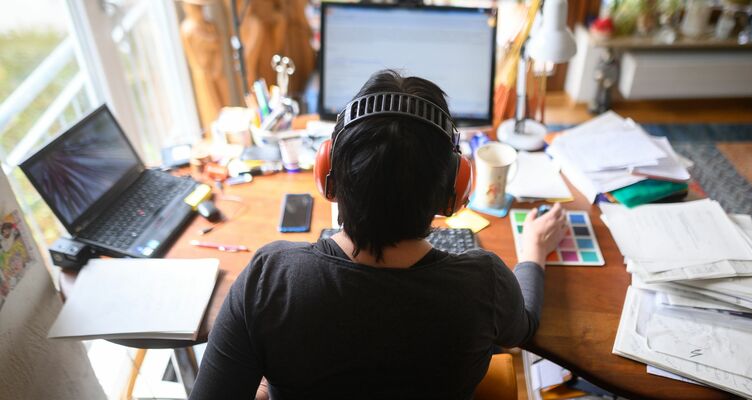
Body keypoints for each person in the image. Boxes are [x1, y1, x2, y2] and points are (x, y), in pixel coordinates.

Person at [189, 70, 567, 400]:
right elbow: (525, 327)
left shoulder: (269, 279)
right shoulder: (485, 284)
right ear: (454, 191)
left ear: (328, 176)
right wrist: (532, 251)